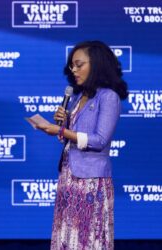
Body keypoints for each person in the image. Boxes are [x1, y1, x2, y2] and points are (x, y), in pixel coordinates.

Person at [37, 41, 128, 250]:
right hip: (69, 178)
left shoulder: (109, 97)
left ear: (96, 64)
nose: (74, 70)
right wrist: (65, 124)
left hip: (91, 183)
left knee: (88, 239)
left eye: (79, 65)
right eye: (72, 66)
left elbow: (99, 140)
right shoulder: (78, 97)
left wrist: (61, 130)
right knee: (68, 238)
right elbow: (70, 138)